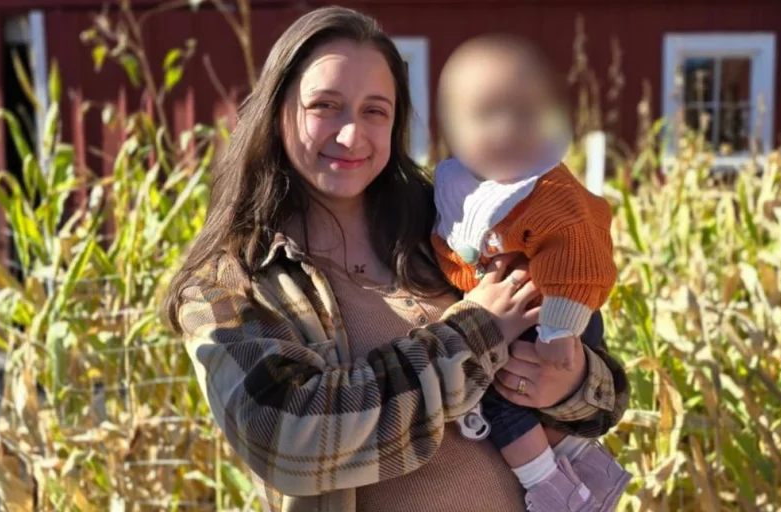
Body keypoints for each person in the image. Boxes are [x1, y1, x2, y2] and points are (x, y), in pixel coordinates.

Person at [163, 6, 629, 512]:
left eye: (374, 111)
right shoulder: (229, 284)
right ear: (278, 112)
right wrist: (476, 334)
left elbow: (604, 394)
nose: (351, 135)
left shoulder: (453, 224)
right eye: (325, 106)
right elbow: (286, 438)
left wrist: (569, 382)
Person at [432, 35, 631, 511]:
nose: (505, 129)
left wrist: (562, 336)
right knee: (500, 394)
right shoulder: (457, 188)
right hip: (517, 315)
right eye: (485, 115)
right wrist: (476, 310)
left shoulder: (546, 189)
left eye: (523, 114)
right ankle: (578, 467)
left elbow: (577, 253)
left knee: (501, 398)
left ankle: (553, 489)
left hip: (557, 309)